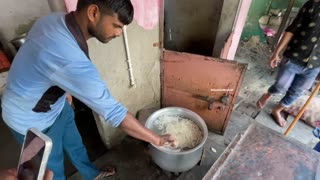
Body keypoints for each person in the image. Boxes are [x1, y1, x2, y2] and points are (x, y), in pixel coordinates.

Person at [1, 0, 174, 179]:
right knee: (51, 171)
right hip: (29, 121)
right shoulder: (69, 58)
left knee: (76, 146)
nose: (118, 33)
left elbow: (47, 66)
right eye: (117, 26)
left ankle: (92, 174)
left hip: (57, 106)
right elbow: (116, 114)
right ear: (93, 12)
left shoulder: (54, 20)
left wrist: (65, 91)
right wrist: (157, 139)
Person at [256, 0, 320, 127]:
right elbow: (291, 30)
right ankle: (268, 94)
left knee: (297, 92)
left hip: (316, 65)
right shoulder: (312, 5)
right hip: (294, 57)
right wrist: (276, 52)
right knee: (281, 86)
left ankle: (277, 110)